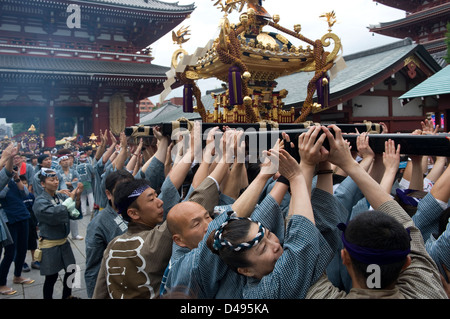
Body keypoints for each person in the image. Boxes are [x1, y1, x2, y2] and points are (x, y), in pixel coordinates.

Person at [306, 125, 448, 299]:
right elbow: (408, 225)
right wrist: (349, 164)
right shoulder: (426, 292)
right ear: (407, 263)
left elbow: (304, 257)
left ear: (345, 258)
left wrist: (311, 165)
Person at [204, 129, 336, 299]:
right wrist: (297, 174)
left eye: (269, 235)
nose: (276, 245)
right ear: (246, 271)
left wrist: (322, 163)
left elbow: (294, 226)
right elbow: (303, 238)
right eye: (263, 248)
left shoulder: (261, 262)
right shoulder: (265, 293)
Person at [32, 168, 84, 299]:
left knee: (72, 269)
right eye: (51, 180)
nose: (55, 182)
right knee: (51, 276)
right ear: (43, 184)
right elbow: (55, 215)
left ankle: (68, 295)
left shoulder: (60, 196)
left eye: (56, 179)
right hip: (50, 243)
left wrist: (77, 198)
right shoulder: (39, 202)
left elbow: (73, 214)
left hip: (63, 241)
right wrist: (70, 199)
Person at [84, 169, 132, 298]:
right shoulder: (98, 224)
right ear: (108, 194)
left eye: (130, 190)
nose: (126, 195)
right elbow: (93, 268)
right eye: (121, 191)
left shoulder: (141, 212)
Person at [0, 157, 35, 296]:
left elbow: (25, 192)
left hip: (22, 214)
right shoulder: (2, 182)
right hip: (9, 218)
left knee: (22, 248)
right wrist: (6, 180)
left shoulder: (14, 179)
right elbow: (1, 194)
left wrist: (16, 177)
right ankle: (2, 283)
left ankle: (17, 275)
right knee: (10, 252)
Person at [20, 174, 40, 272]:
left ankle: (35, 260)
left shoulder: (31, 196)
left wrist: (36, 223)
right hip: (22, 223)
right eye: (21, 184)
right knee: (22, 245)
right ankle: (22, 262)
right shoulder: (18, 197)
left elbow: (34, 210)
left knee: (33, 244)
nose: (24, 186)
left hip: (31, 223)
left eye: (25, 183)